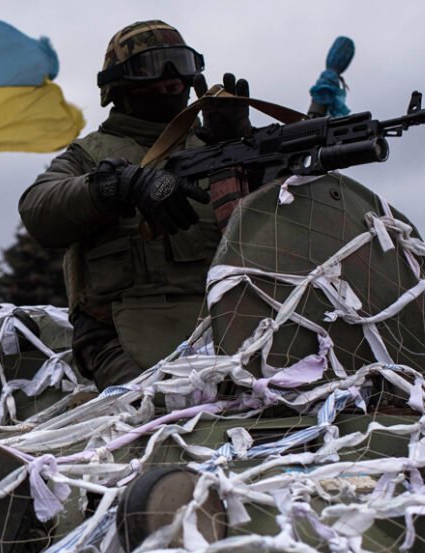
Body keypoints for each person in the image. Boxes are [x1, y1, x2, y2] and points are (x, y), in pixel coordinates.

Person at [19, 20, 251, 390]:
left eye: (180, 63)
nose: (171, 78)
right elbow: (38, 209)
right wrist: (118, 186)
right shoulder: (90, 156)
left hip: (232, 326)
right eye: (153, 66)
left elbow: (283, 218)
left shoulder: (212, 143)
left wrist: (243, 151)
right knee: (176, 409)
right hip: (123, 337)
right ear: (120, 85)